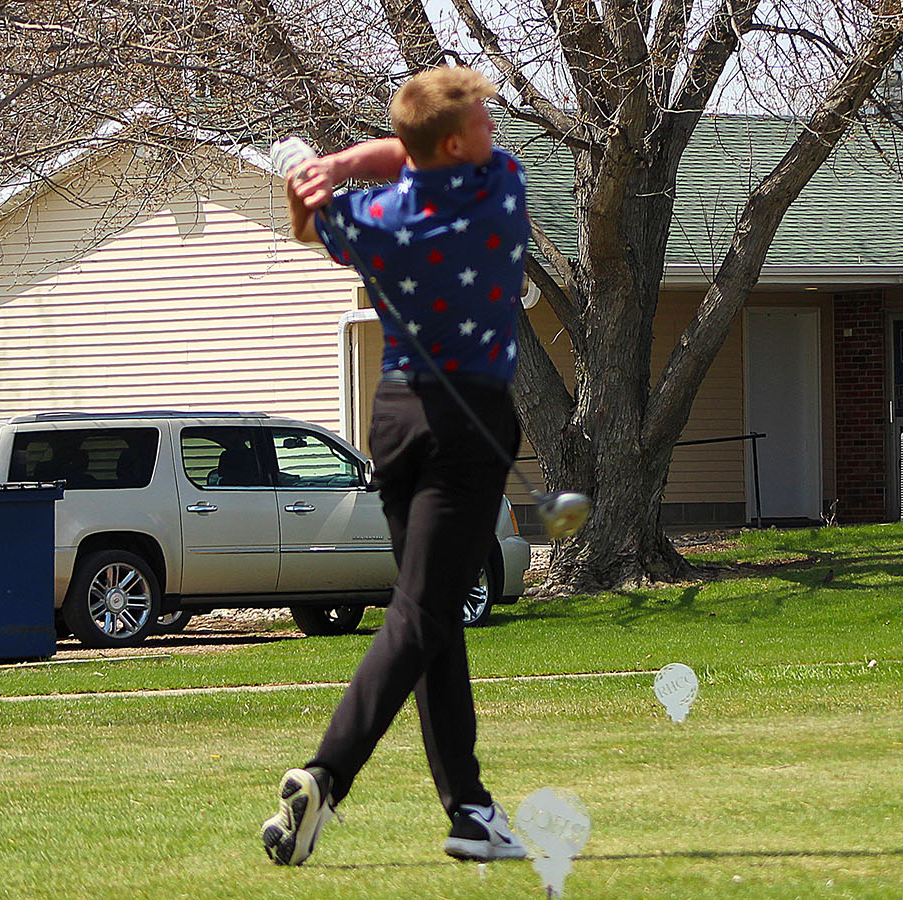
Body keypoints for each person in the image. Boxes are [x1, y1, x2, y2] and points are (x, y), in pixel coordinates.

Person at [258, 66, 532, 867]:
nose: (492, 124)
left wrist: (325, 171)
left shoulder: (376, 219)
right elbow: (411, 153)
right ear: (456, 143)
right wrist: (348, 160)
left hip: (398, 417)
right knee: (418, 615)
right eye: (481, 116)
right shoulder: (499, 186)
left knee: (435, 613)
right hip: (468, 422)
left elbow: (326, 211)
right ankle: (324, 773)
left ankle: (471, 812)